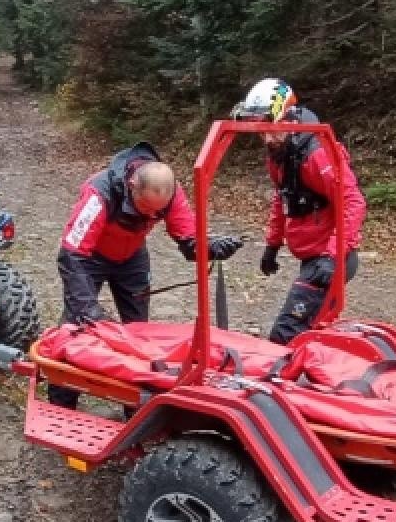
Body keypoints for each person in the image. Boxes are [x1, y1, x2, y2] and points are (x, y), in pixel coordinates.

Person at [49, 142, 243, 409]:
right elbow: (71, 254)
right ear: (132, 186)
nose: (153, 215)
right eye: (147, 209)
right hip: (89, 257)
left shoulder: (170, 193)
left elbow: (188, 240)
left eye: (159, 211)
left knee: (138, 333)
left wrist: (210, 247)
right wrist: (86, 305)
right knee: (76, 327)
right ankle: (61, 402)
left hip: (132, 257)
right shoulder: (99, 193)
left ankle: (135, 405)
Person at [231, 78, 367, 345]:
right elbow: (282, 199)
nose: (267, 139)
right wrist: (272, 245)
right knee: (311, 335)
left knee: (286, 334)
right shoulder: (280, 153)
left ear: (290, 120)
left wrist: (332, 256)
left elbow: (353, 202)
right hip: (312, 258)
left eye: (272, 130)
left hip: (330, 260)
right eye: (262, 132)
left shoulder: (317, 155)